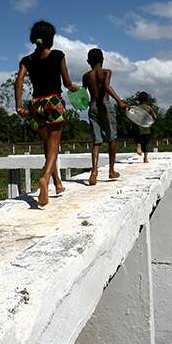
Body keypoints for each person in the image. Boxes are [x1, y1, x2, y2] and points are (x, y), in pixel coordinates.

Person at [14, 21, 78, 207]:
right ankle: (45, 179)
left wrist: (19, 106)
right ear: (51, 38)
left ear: (34, 38)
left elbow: (18, 82)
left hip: (37, 105)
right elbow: (66, 83)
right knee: (54, 146)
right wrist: (73, 87)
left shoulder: (27, 60)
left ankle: (57, 184)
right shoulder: (58, 55)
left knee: (47, 146)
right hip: (53, 103)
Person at [82, 48, 127, 186]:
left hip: (93, 106)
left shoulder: (86, 76)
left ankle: (94, 172)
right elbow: (106, 86)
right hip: (105, 105)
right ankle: (111, 170)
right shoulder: (106, 72)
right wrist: (119, 100)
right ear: (102, 60)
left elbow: (83, 94)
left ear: (88, 61)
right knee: (111, 138)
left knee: (96, 140)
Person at [134, 91, 158, 163]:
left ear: (138, 99)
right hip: (146, 128)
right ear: (147, 99)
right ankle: (145, 159)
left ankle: (138, 145)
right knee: (146, 144)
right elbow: (155, 117)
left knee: (139, 140)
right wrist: (151, 122)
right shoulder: (149, 108)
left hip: (138, 127)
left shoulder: (137, 108)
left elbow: (134, 117)